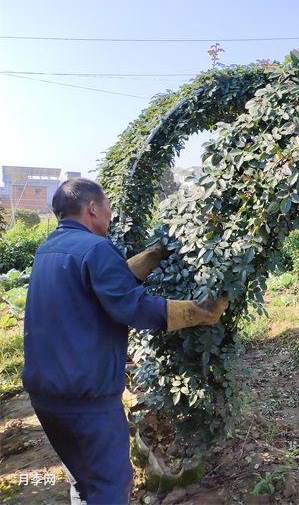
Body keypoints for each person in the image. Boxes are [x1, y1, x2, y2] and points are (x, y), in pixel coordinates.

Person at [22, 178, 229, 504]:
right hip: (86, 401)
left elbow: (95, 290)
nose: (112, 213)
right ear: (92, 208)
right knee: (111, 485)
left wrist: (148, 259)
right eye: (108, 206)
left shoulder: (48, 250)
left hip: (46, 396)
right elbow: (131, 306)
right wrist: (197, 312)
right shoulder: (96, 248)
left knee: (84, 479)